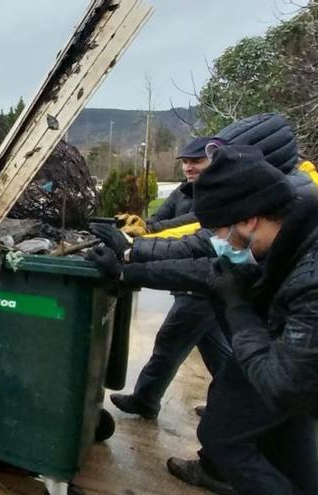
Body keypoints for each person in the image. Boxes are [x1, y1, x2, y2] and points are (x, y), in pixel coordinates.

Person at [91, 145, 318, 494]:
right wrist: (126, 272)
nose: (216, 241)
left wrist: (238, 307)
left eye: (217, 230)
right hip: (301, 375)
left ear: (248, 219)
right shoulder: (288, 240)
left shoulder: (313, 277)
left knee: (223, 437)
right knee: (290, 439)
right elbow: (204, 272)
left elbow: (283, 387)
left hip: (294, 375)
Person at [107, 137, 231, 419]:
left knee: (170, 341)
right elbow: (158, 221)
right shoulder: (184, 191)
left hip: (201, 281)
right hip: (189, 280)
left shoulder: (220, 195)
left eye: (196, 161)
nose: (188, 167)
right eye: (185, 162)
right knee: (217, 350)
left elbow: (192, 231)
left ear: (216, 160)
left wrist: (134, 251)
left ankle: (145, 400)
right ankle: (234, 404)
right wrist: (140, 226)